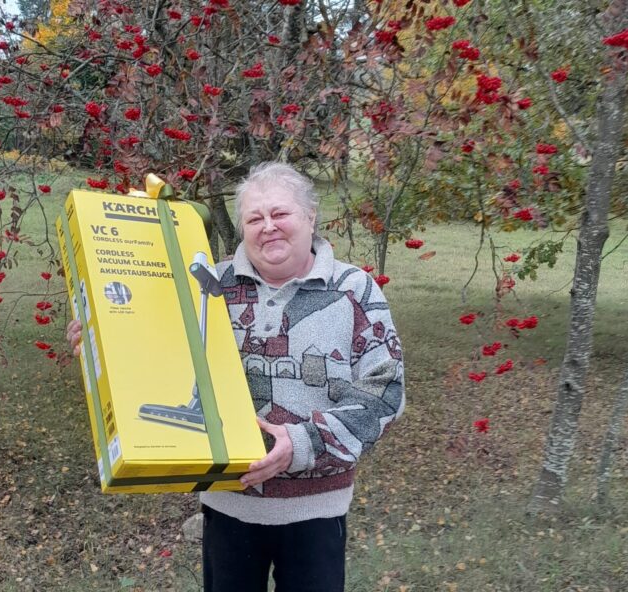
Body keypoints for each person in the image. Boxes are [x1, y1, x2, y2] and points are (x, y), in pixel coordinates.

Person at [66, 162, 405, 591]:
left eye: (280, 214)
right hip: (228, 506)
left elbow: (385, 391)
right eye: (254, 218)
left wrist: (302, 443)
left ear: (310, 217)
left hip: (316, 510)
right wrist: (99, 341)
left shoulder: (355, 290)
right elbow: (158, 353)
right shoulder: (210, 284)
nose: (268, 228)